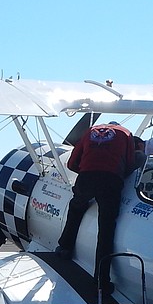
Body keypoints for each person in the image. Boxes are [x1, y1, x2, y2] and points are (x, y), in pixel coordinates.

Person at [56, 121, 135, 293]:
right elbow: (130, 162)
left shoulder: (90, 130)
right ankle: (101, 280)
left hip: (87, 177)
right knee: (106, 229)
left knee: (76, 207)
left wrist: (87, 171)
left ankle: (65, 247)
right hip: (111, 180)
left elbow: (71, 163)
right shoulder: (126, 133)